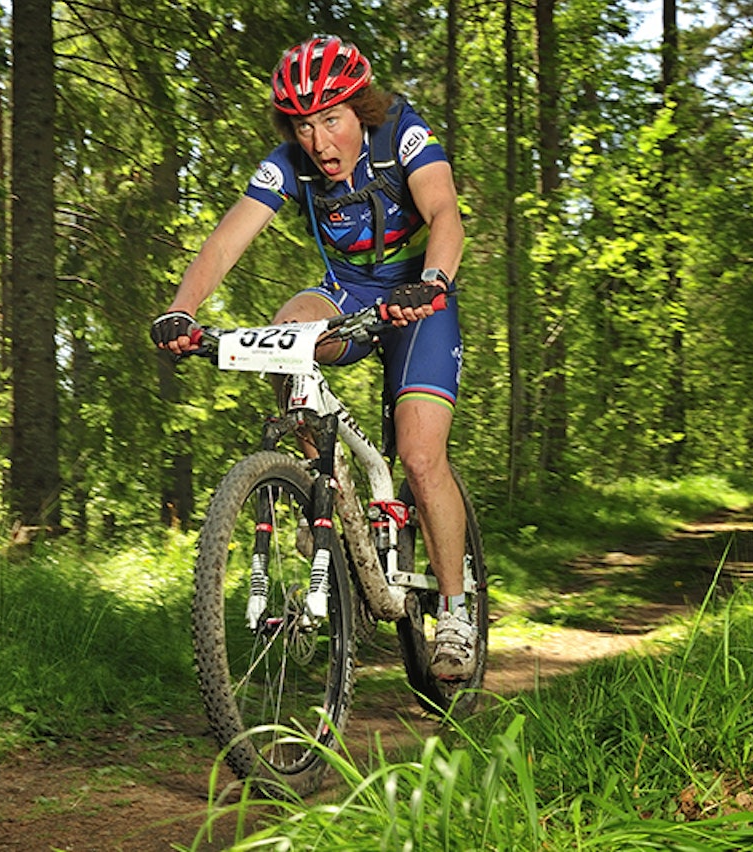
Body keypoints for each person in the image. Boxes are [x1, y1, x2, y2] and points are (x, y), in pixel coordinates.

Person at [150, 35, 474, 680]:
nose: (320, 142)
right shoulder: (288, 165)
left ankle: (457, 610)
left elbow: (444, 212)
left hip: (420, 300)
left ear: (362, 110)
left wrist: (432, 282)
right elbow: (226, 239)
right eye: (305, 125)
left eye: (332, 119)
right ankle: (320, 488)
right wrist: (182, 309)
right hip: (349, 296)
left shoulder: (403, 135)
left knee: (418, 454)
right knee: (286, 329)